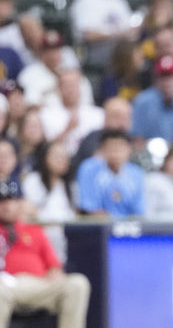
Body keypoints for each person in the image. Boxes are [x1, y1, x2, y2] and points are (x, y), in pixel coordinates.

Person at [0, 180, 90, 328]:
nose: (7, 206)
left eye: (12, 201)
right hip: (6, 286)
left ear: (20, 203)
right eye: (2, 201)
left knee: (78, 283)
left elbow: (54, 267)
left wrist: (55, 274)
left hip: (39, 285)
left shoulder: (33, 230)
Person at [76, 129, 145, 218]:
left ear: (129, 149)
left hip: (128, 228)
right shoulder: (89, 169)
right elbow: (88, 208)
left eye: (120, 149)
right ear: (102, 150)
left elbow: (139, 212)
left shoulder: (136, 173)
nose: (115, 154)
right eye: (111, 148)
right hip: (98, 227)